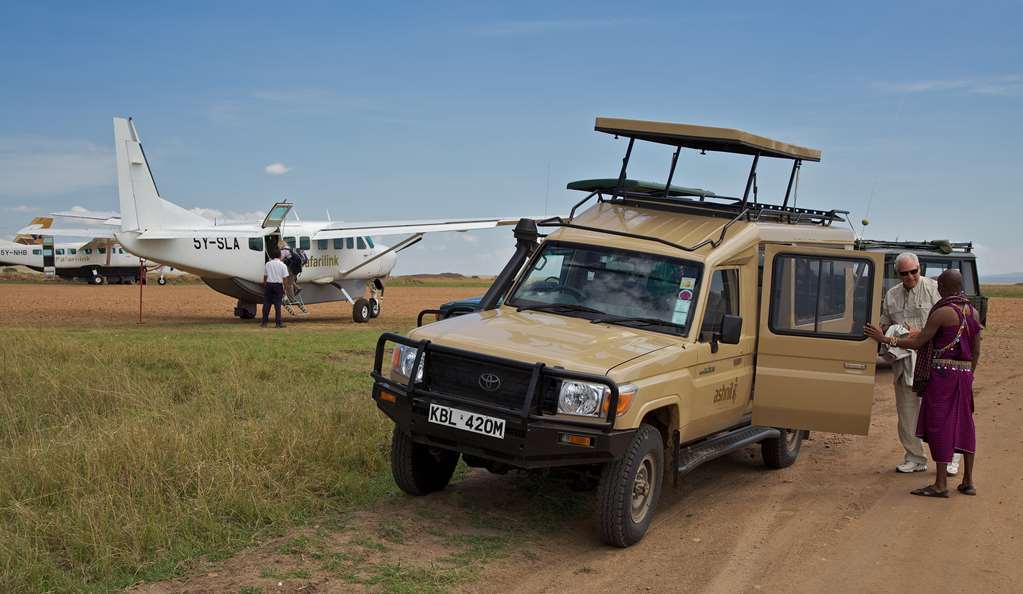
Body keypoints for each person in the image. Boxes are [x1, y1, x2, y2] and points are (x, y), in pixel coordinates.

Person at [865, 269, 982, 497]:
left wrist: (885, 339)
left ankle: (940, 485)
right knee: (964, 423)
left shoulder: (943, 313)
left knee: (940, 425)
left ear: (944, 289)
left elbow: (918, 343)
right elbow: (976, 350)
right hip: (965, 375)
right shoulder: (973, 313)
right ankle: (968, 481)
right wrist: (969, 374)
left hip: (942, 376)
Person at [878, 253, 953, 474]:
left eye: (914, 271)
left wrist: (919, 333)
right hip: (904, 362)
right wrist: (889, 331)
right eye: (904, 273)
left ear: (920, 268)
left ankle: (949, 458)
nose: (910, 276)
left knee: (941, 411)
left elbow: (949, 321)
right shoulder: (891, 295)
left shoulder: (935, 289)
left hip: (934, 361)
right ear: (897, 273)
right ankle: (915, 457)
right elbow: (884, 323)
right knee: (907, 412)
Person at [261, 248, 290, 328]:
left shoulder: (268, 264)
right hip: (278, 285)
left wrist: (265, 285)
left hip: (269, 285)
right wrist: (285, 288)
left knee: (267, 304)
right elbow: (285, 278)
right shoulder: (282, 265)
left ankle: (264, 322)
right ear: (280, 256)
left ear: (272, 256)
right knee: (277, 304)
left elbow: (265, 276)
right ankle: (278, 323)